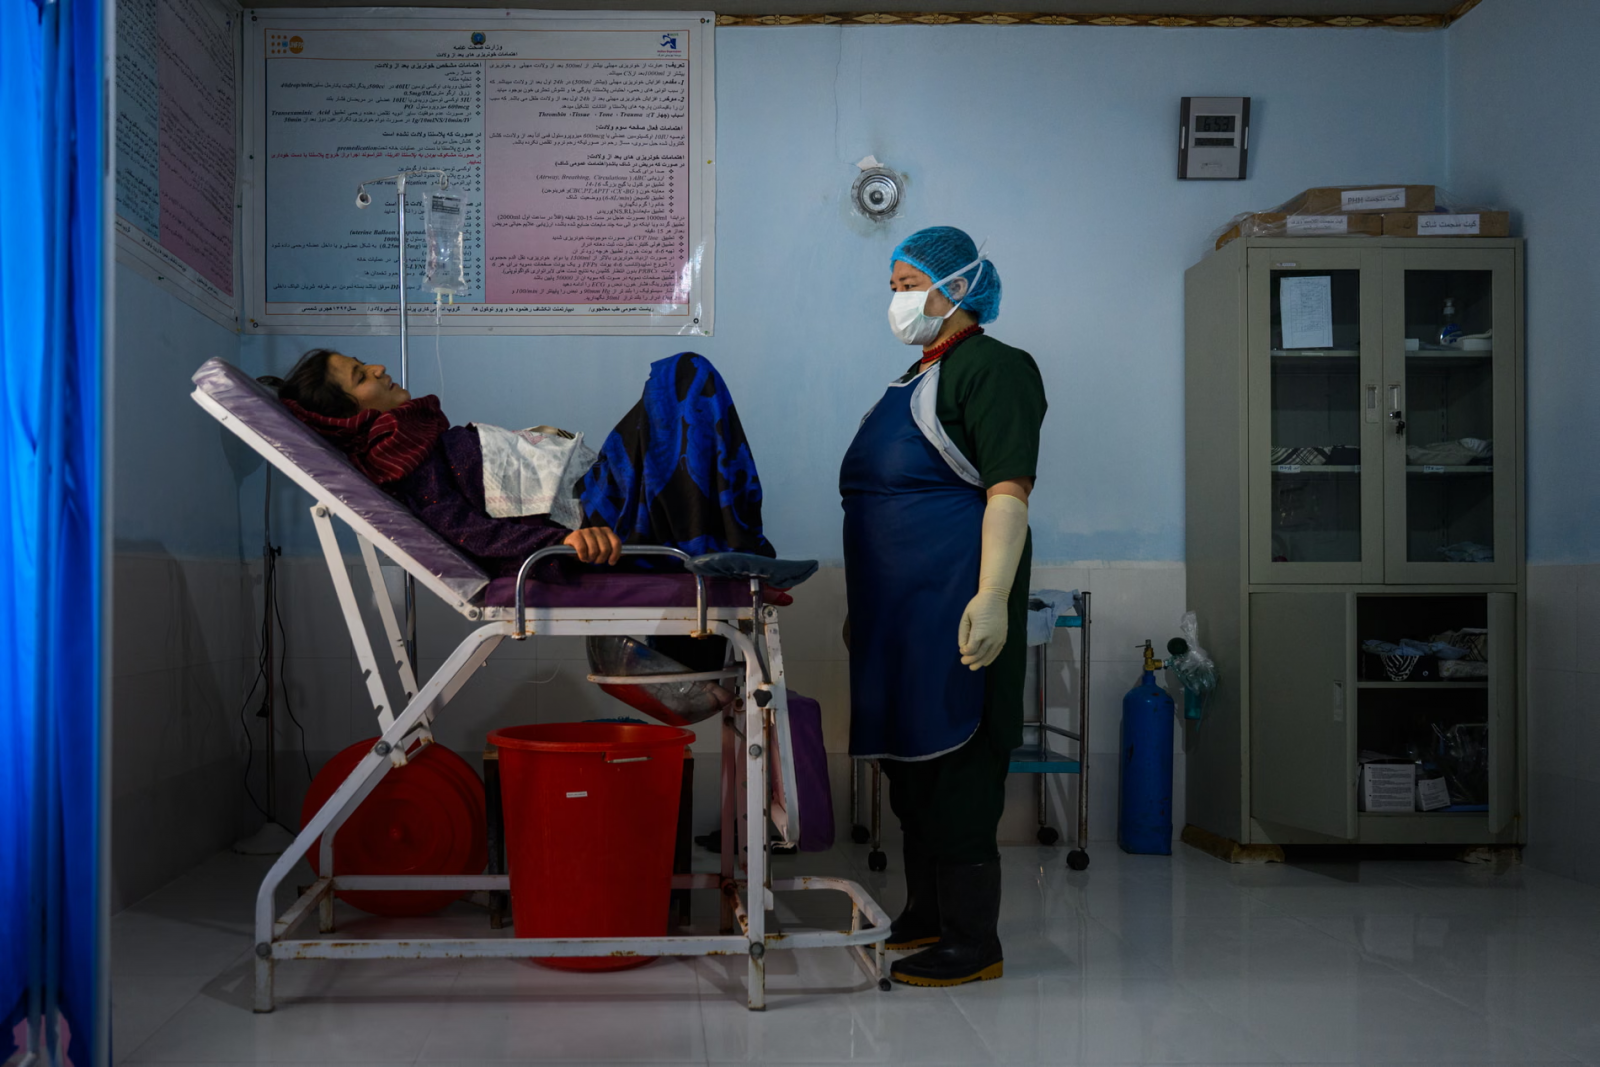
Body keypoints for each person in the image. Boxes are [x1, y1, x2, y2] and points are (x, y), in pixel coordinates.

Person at [840, 226, 1046, 987]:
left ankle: (971, 939)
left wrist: (992, 596)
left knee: (957, 765)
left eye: (908, 285)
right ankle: (925, 913)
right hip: (895, 621)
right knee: (911, 770)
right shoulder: (913, 378)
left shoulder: (994, 368)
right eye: (893, 287)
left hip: (951, 611)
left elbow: (1008, 490)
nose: (897, 300)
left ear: (956, 287)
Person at [260, 350, 775, 585]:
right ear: (354, 418)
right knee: (683, 376)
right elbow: (467, 533)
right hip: (600, 515)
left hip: (603, 490)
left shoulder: (414, 442)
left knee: (680, 384)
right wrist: (560, 543)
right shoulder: (404, 465)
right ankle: (733, 552)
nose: (378, 367)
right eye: (360, 376)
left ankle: (729, 548)